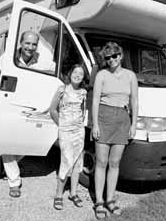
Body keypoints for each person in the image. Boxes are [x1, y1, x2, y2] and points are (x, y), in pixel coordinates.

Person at [92, 42, 138, 219]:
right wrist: (95, 124)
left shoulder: (130, 76)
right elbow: (95, 100)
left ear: (121, 56)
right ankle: (99, 202)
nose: (111, 60)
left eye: (114, 56)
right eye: (107, 57)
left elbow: (134, 101)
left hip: (122, 120)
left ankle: (110, 199)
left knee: (114, 163)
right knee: (101, 162)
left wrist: (133, 124)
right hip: (104, 118)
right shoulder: (102, 75)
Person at [0, 30, 40, 198]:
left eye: (33, 44)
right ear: (21, 43)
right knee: (8, 144)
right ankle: (14, 181)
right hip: (10, 105)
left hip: (30, 108)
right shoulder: (7, 57)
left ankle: (9, 165)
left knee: (28, 143)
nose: (30, 47)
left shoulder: (41, 61)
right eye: (27, 43)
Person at [49, 64, 87, 210]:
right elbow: (53, 110)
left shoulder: (83, 92)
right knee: (65, 160)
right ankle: (59, 195)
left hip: (79, 130)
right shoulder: (62, 89)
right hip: (65, 130)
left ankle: (73, 193)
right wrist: (62, 125)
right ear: (70, 73)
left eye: (81, 74)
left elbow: (82, 112)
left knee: (77, 161)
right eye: (75, 72)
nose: (78, 75)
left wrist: (78, 125)